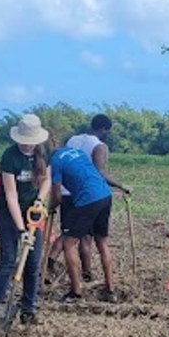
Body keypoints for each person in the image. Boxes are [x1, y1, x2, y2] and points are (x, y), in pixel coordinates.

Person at [0, 115, 52, 328]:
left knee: (33, 263)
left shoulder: (44, 152)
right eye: (23, 140)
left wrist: (40, 202)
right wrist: (21, 230)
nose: (26, 144)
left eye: (30, 140)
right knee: (8, 260)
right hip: (10, 213)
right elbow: (10, 195)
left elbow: (46, 180)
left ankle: (29, 308)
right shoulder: (10, 156)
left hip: (33, 211)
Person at [50, 144, 130, 303]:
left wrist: (50, 208)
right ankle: (110, 289)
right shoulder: (77, 151)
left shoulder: (55, 161)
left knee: (68, 243)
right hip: (105, 195)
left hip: (87, 199)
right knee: (102, 242)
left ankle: (76, 292)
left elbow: (57, 196)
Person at [47, 114, 116, 282]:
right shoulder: (99, 146)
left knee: (68, 234)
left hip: (70, 194)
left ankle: (51, 263)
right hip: (90, 195)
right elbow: (99, 173)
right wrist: (120, 185)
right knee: (86, 238)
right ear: (103, 129)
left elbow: (56, 187)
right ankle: (87, 278)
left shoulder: (73, 140)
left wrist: (51, 207)